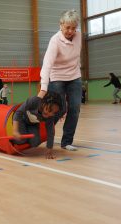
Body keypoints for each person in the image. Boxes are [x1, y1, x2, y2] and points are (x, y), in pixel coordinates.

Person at [38, 9, 82, 151]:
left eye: (73, 28)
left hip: (74, 76)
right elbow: (47, 65)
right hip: (57, 77)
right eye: (67, 27)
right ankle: (40, 131)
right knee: (60, 109)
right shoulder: (55, 41)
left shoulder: (79, 36)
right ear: (61, 25)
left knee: (75, 108)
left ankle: (67, 142)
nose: (70, 31)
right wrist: (44, 88)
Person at [12, 92, 63, 159]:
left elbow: (50, 132)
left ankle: (25, 137)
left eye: (53, 113)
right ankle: (14, 140)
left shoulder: (50, 116)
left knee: (35, 142)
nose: (49, 114)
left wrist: (49, 150)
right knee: (21, 139)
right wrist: (15, 131)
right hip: (21, 120)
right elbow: (18, 113)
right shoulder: (34, 101)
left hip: (32, 124)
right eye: (49, 110)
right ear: (43, 102)